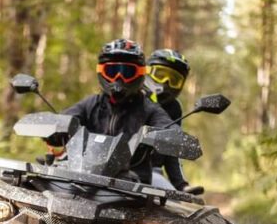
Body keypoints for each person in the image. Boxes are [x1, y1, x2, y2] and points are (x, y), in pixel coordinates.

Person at [53, 38, 189, 184]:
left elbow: (170, 129)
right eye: (112, 71)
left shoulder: (150, 109)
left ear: (140, 74)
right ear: (101, 71)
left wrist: (172, 137)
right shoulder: (90, 104)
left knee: (167, 192)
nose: (119, 78)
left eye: (127, 72)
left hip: (134, 186)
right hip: (82, 176)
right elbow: (64, 119)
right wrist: (55, 129)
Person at [143, 49, 203, 194]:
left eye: (174, 79)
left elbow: (172, 147)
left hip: (152, 173)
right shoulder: (131, 97)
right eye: (160, 75)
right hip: (113, 167)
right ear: (147, 72)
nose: (166, 82)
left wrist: (180, 184)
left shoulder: (173, 108)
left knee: (174, 204)